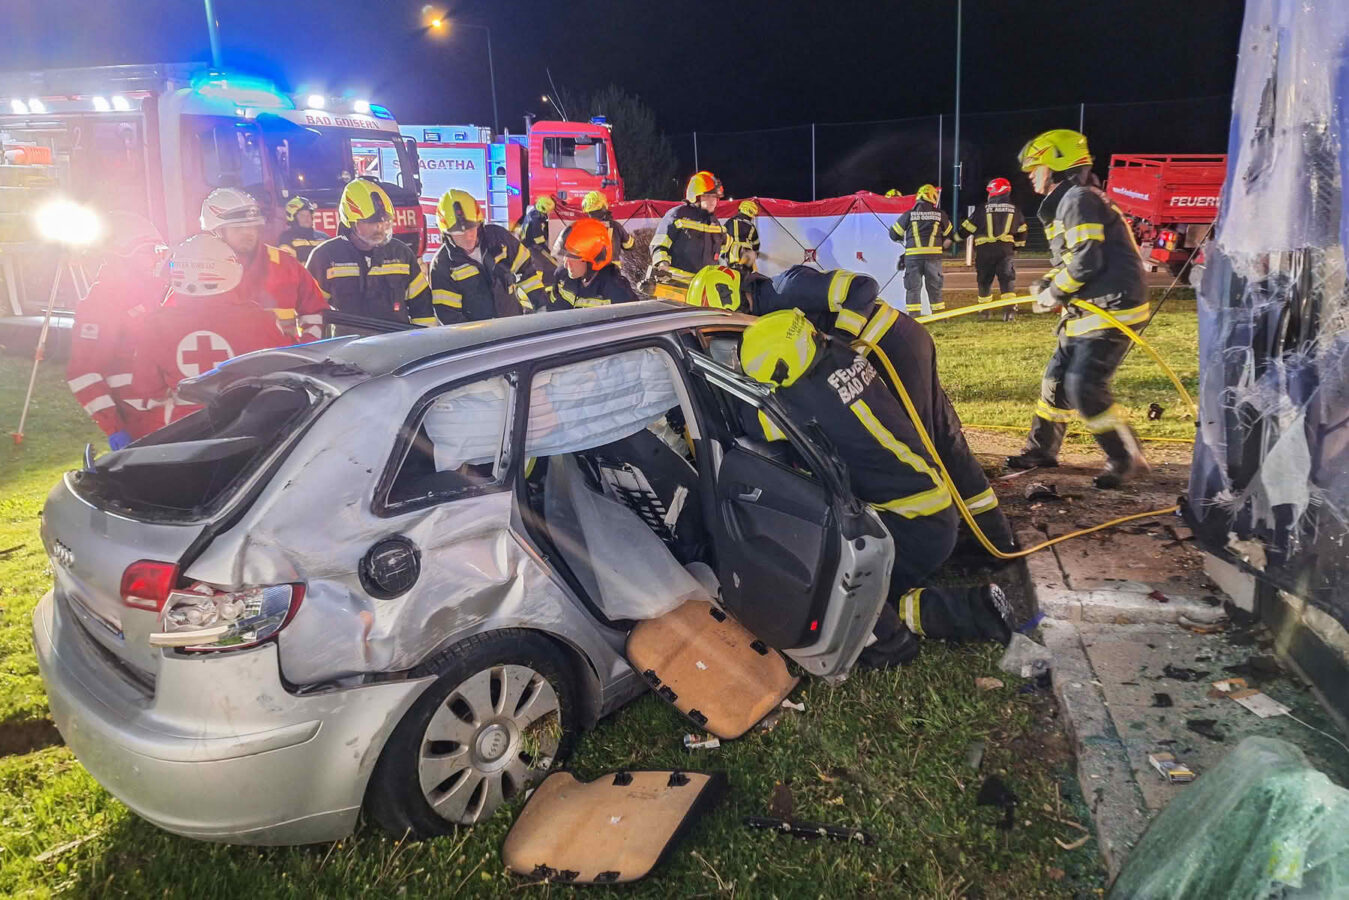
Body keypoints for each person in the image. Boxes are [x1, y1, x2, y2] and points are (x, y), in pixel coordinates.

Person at [739, 310, 1014, 667]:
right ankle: (970, 606)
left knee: (839, 589)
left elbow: (752, 422)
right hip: (930, 506)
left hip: (911, 525)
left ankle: (931, 626)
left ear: (782, 371)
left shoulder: (808, 403)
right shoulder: (839, 352)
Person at [687, 263, 1015, 554]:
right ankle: (982, 530)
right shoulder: (764, 303)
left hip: (891, 344)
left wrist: (841, 337)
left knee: (925, 440)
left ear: (733, 300)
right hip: (878, 349)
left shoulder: (786, 287)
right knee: (938, 436)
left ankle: (972, 534)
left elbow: (864, 287)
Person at [1005, 129, 1151, 489]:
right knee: (1055, 381)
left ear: (1057, 163)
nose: (1030, 176)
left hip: (1111, 309)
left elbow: (1088, 259)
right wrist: (1047, 285)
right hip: (1088, 308)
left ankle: (1126, 456)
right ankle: (1042, 449)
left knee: (1084, 385)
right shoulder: (1072, 199)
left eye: (1034, 168)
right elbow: (1073, 256)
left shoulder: (1079, 198)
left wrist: (1054, 292)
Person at [120, 234, 298, 428]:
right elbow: (288, 368)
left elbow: (145, 387)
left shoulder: (156, 325)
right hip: (252, 426)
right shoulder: (260, 320)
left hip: (189, 433)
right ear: (231, 272)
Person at [66, 213, 170, 447]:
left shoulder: (160, 291)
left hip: (173, 412)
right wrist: (114, 428)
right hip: (138, 420)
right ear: (123, 254)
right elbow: (84, 372)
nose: (157, 259)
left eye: (159, 251)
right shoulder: (101, 302)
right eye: (149, 251)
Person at [200, 187, 328, 341]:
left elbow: (316, 312)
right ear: (217, 232)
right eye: (238, 228)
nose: (247, 233)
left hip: (282, 362)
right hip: (225, 362)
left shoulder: (285, 265)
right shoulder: (199, 272)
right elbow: (175, 321)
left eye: (251, 226)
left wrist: (306, 351)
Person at [306, 179, 434, 328]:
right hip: (348, 346)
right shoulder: (325, 257)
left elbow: (423, 308)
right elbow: (310, 311)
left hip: (397, 345)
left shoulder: (402, 254)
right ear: (351, 222)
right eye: (371, 222)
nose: (379, 227)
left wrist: (424, 344)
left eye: (384, 221)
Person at [429, 189, 546, 323]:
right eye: (459, 233)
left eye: (471, 228)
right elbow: (449, 316)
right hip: (479, 338)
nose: (468, 236)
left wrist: (541, 305)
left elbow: (527, 272)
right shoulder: (442, 265)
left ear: (479, 223)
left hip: (512, 325)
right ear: (447, 234)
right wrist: (477, 339)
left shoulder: (499, 239)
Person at [960, 177, 1027, 322]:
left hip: (984, 252)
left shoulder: (982, 209)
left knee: (984, 281)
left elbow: (966, 229)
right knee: (1007, 280)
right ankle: (1009, 313)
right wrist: (1016, 247)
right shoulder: (1015, 210)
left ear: (994, 192)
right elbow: (1022, 231)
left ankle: (984, 312)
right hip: (1005, 251)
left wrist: (954, 238)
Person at [649, 171, 725, 298]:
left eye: (715, 197)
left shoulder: (714, 222)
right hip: (675, 287)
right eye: (708, 196)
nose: (713, 201)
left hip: (702, 289)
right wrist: (662, 264)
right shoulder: (677, 215)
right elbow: (659, 244)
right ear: (696, 196)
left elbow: (724, 244)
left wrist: (743, 254)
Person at [547, 218, 640, 309]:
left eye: (572, 258)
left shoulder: (616, 289)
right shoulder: (562, 277)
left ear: (592, 261)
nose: (565, 265)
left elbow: (632, 321)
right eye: (564, 257)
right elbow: (553, 313)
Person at [888, 183, 952, 316]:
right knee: (935, 288)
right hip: (933, 258)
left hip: (913, 258)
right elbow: (949, 235)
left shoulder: (908, 215)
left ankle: (914, 318)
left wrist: (902, 238)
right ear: (932, 197)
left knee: (913, 289)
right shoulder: (940, 215)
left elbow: (894, 234)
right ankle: (939, 315)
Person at [558, 191, 634, 264]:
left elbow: (571, 250)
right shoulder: (616, 226)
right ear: (604, 207)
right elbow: (629, 246)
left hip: (592, 271)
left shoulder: (583, 228)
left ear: (587, 212)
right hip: (612, 271)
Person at [514, 194, 558, 285]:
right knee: (543, 265)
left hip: (527, 244)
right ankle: (539, 286)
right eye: (548, 211)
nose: (549, 213)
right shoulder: (536, 221)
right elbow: (539, 242)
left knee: (544, 264)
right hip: (531, 247)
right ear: (543, 209)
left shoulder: (533, 212)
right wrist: (550, 254)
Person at [277, 196, 325, 264]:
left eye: (309, 215)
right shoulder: (286, 238)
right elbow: (287, 264)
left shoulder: (323, 237)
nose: (307, 218)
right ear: (293, 218)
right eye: (302, 215)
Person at [720, 199, 761, 273]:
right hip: (747, 256)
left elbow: (721, 236)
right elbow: (756, 243)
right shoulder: (752, 226)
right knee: (749, 277)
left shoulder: (730, 221)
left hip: (732, 254)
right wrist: (756, 252)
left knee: (732, 276)